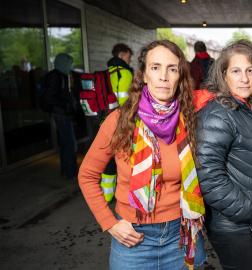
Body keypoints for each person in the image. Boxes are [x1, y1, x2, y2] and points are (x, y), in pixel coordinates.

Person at [78, 40, 206, 270]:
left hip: (181, 234)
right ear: (144, 75)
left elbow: (226, 92)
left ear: (180, 77)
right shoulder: (119, 121)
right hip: (133, 238)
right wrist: (110, 223)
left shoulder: (189, 117)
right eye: (155, 67)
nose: (164, 77)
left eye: (172, 69)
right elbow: (87, 175)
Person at [195, 39, 252, 270]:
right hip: (236, 226)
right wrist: (249, 212)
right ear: (224, 75)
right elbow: (209, 176)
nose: (244, 78)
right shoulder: (218, 114)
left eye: (250, 71)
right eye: (236, 71)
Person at [101, 43, 135, 202]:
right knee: (123, 156)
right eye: (128, 55)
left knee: (106, 157)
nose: (130, 59)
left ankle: (106, 195)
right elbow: (126, 102)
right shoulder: (125, 72)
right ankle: (123, 194)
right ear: (122, 54)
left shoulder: (106, 72)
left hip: (103, 120)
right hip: (120, 121)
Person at [44, 53, 78, 180]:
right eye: (69, 63)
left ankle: (67, 170)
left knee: (66, 143)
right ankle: (71, 172)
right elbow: (50, 97)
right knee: (69, 144)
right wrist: (66, 104)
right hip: (61, 114)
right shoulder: (56, 77)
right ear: (63, 63)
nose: (71, 66)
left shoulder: (62, 75)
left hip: (63, 113)